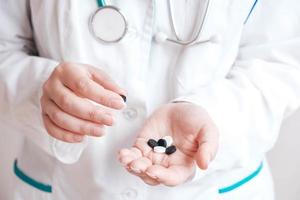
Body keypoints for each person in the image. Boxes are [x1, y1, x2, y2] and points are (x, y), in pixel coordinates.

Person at [1, 0, 300, 199]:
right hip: (66, 186)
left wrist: (214, 116)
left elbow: (281, 62)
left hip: (215, 189)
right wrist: (39, 92)